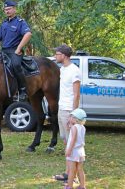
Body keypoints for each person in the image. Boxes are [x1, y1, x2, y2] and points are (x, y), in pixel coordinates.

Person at [0, 0, 32, 101]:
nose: (7, 11)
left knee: (15, 65)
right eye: (5, 9)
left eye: (9, 9)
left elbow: (28, 34)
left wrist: (19, 48)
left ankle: (23, 90)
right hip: (3, 51)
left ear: (14, 9)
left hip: (15, 51)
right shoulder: (4, 24)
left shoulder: (20, 22)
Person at [53, 44, 81, 182]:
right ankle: (67, 172)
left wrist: (73, 115)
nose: (55, 56)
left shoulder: (74, 70)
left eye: (57, 54)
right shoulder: (62, 69)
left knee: (72, 144)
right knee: (65, 141)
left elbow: (76, 95)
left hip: (69, 111)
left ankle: (73, 176)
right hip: (61, 109)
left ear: (63, 55)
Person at [64, 108, 87, 189]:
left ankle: (69, 186)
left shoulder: (74, 128)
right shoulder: (82, 127)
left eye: (71, 117)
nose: (69, 118)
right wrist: (69, 125)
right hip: (81, 151)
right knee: (80, 169)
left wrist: (69, 150)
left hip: (74, 151)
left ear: (75, 118)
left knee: (72, 170)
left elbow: (73, 139)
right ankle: (82, 186)